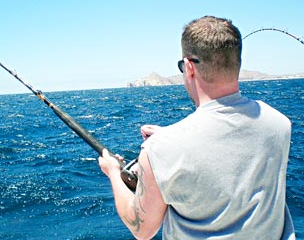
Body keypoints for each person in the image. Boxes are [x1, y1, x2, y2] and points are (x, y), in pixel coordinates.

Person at [99, 16, 295, 239]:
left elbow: (142, 229)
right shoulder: (280, 124)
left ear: (189, 68)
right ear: (237, 62)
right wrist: (170, 137)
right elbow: (232, 143)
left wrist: (113, 172)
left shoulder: (161, 149)